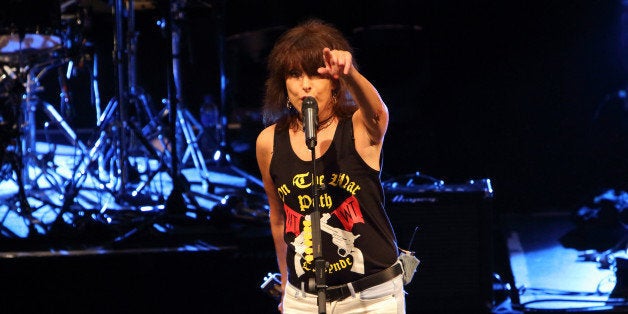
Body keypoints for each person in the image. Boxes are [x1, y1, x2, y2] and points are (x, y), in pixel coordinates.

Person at [255, 19, 407, 313]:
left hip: (372, 298)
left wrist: (351, 75)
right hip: (304, 300)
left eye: (316, 73)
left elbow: (378, 114)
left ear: (334, 83)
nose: (305, 85)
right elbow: (278, 220)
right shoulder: (269, 142)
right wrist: (287, 287)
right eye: (294, 74)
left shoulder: (358, 128)